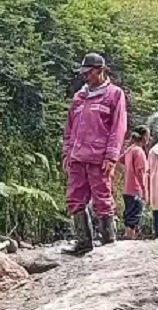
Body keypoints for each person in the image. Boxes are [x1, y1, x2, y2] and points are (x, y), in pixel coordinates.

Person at [61, 52, 128, 255]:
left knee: (102, 199)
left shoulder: (114, 94)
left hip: (99, 158)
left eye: (89, 72)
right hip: (77, 157)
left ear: (100, 70)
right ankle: (83, 242)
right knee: (74, 198)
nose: (85, 76)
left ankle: (108, 240)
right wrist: (67, 152)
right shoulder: (79, 97)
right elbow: (69, 128)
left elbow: (118, 128)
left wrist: (111, 156)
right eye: (84, 72)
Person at [118, 125, 150, 240]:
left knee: (129, 215)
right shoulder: (139, 151)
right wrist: (144, 190)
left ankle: (128, 236)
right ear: (144, 137)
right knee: (134, 217)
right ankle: (130, 238)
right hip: (136, 189)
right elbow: (140, 173)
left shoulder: (130, 149)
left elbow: (120, 159)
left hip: (127, 189)